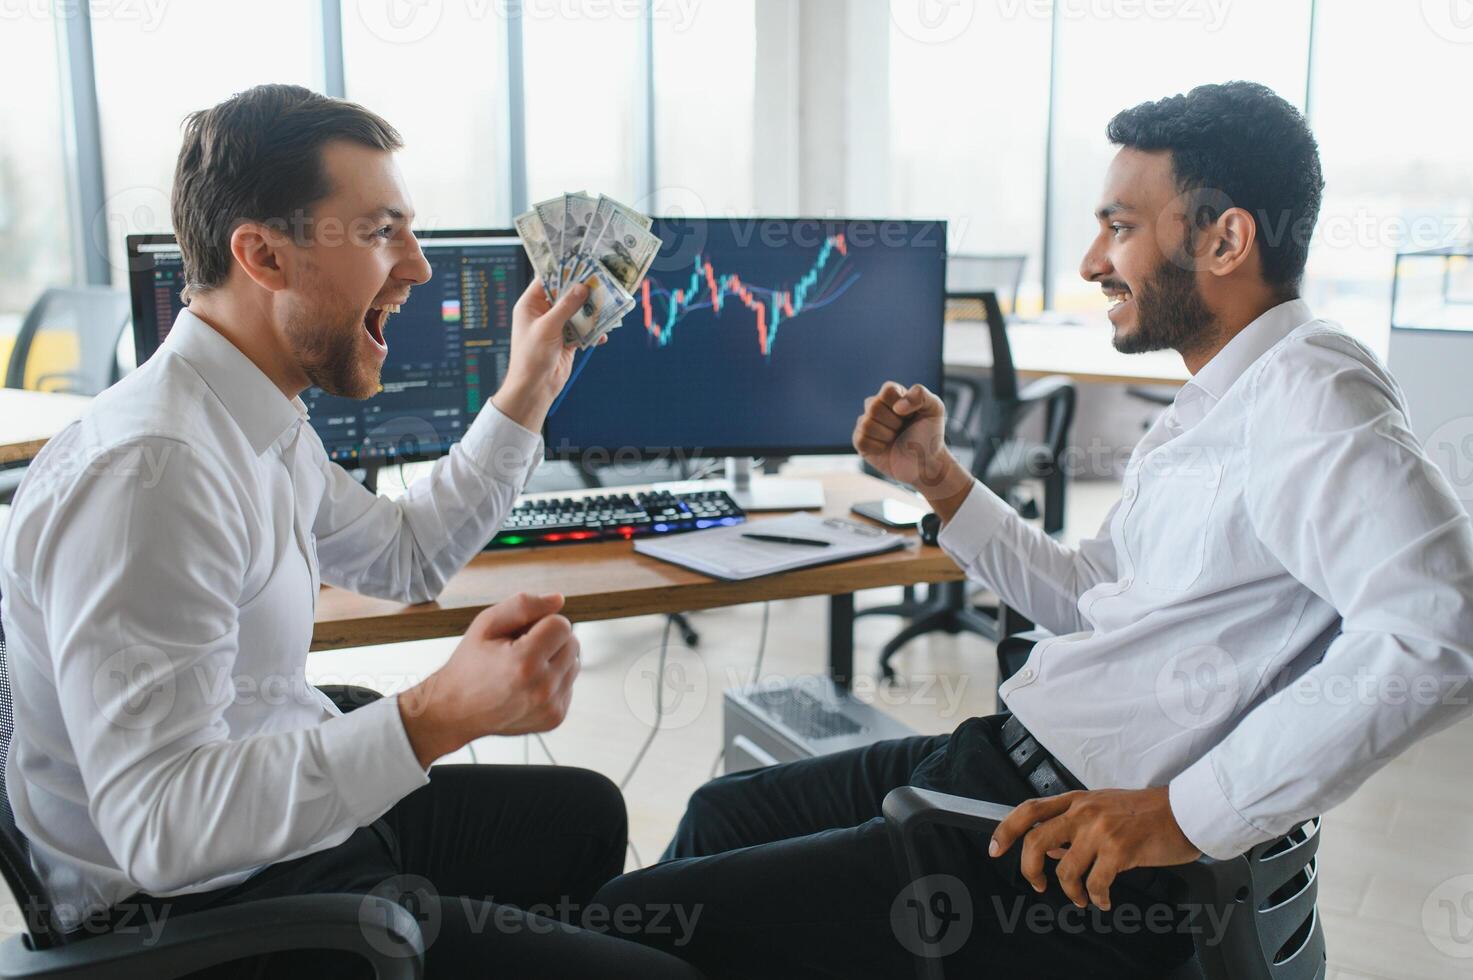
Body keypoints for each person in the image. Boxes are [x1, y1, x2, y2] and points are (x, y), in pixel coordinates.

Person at [587, 81, 1473, 978]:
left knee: (648, 919)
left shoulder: (1312, 393)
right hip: (1006, 758)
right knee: (718, 813)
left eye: (1120, 227)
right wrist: (938, 480)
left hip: (1064, 845)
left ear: (1224, 238)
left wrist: (1185, 813)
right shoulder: (1217, 400)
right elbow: (1091, 598)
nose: (1092, 261)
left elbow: (1439, 630)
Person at [0, 84, 699, 979]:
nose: (415, 268)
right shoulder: (154, 475)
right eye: (379, 233)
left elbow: (405, 556)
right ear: (262, 255)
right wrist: (434, 714)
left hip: (268, 825)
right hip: (202, 905)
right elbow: (161, 828)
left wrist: (529, 385)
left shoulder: (250, 416)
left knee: (586, 814)